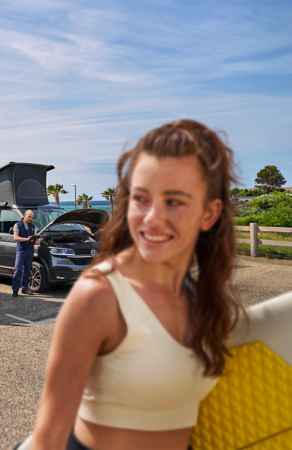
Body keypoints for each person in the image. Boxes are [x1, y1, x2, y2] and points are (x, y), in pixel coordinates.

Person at [26, 120, 241, 450]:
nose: (152, 217)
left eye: (174, 201)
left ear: (209, 213)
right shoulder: (99, 296)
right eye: (141, 198)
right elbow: (48, 439)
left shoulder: (197, 295)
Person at [12, 210, 40, 296]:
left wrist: (35, 239)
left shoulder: (33, 226)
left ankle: (24, 288)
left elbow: (37, 242)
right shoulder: (17, 225)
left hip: (30, 251)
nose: (30, 218)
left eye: (32, 217)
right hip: (21, 250)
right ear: (25, 215)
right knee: (18, 270)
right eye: (29, 217)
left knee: (27, 270)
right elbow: (15, 238)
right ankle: (15, 290)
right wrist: (27, 239)